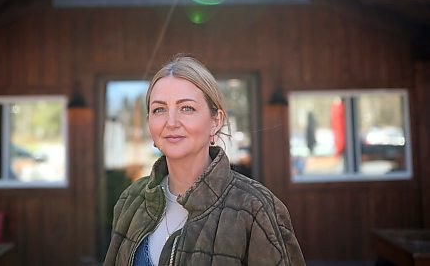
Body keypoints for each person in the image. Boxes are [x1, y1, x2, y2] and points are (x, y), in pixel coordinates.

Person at [104, 55, 305, 266]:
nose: (171, 122)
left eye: (187, 108)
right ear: (149, 123)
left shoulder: (256, 209)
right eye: (159, 109)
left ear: (215, 122)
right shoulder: (131, 201)